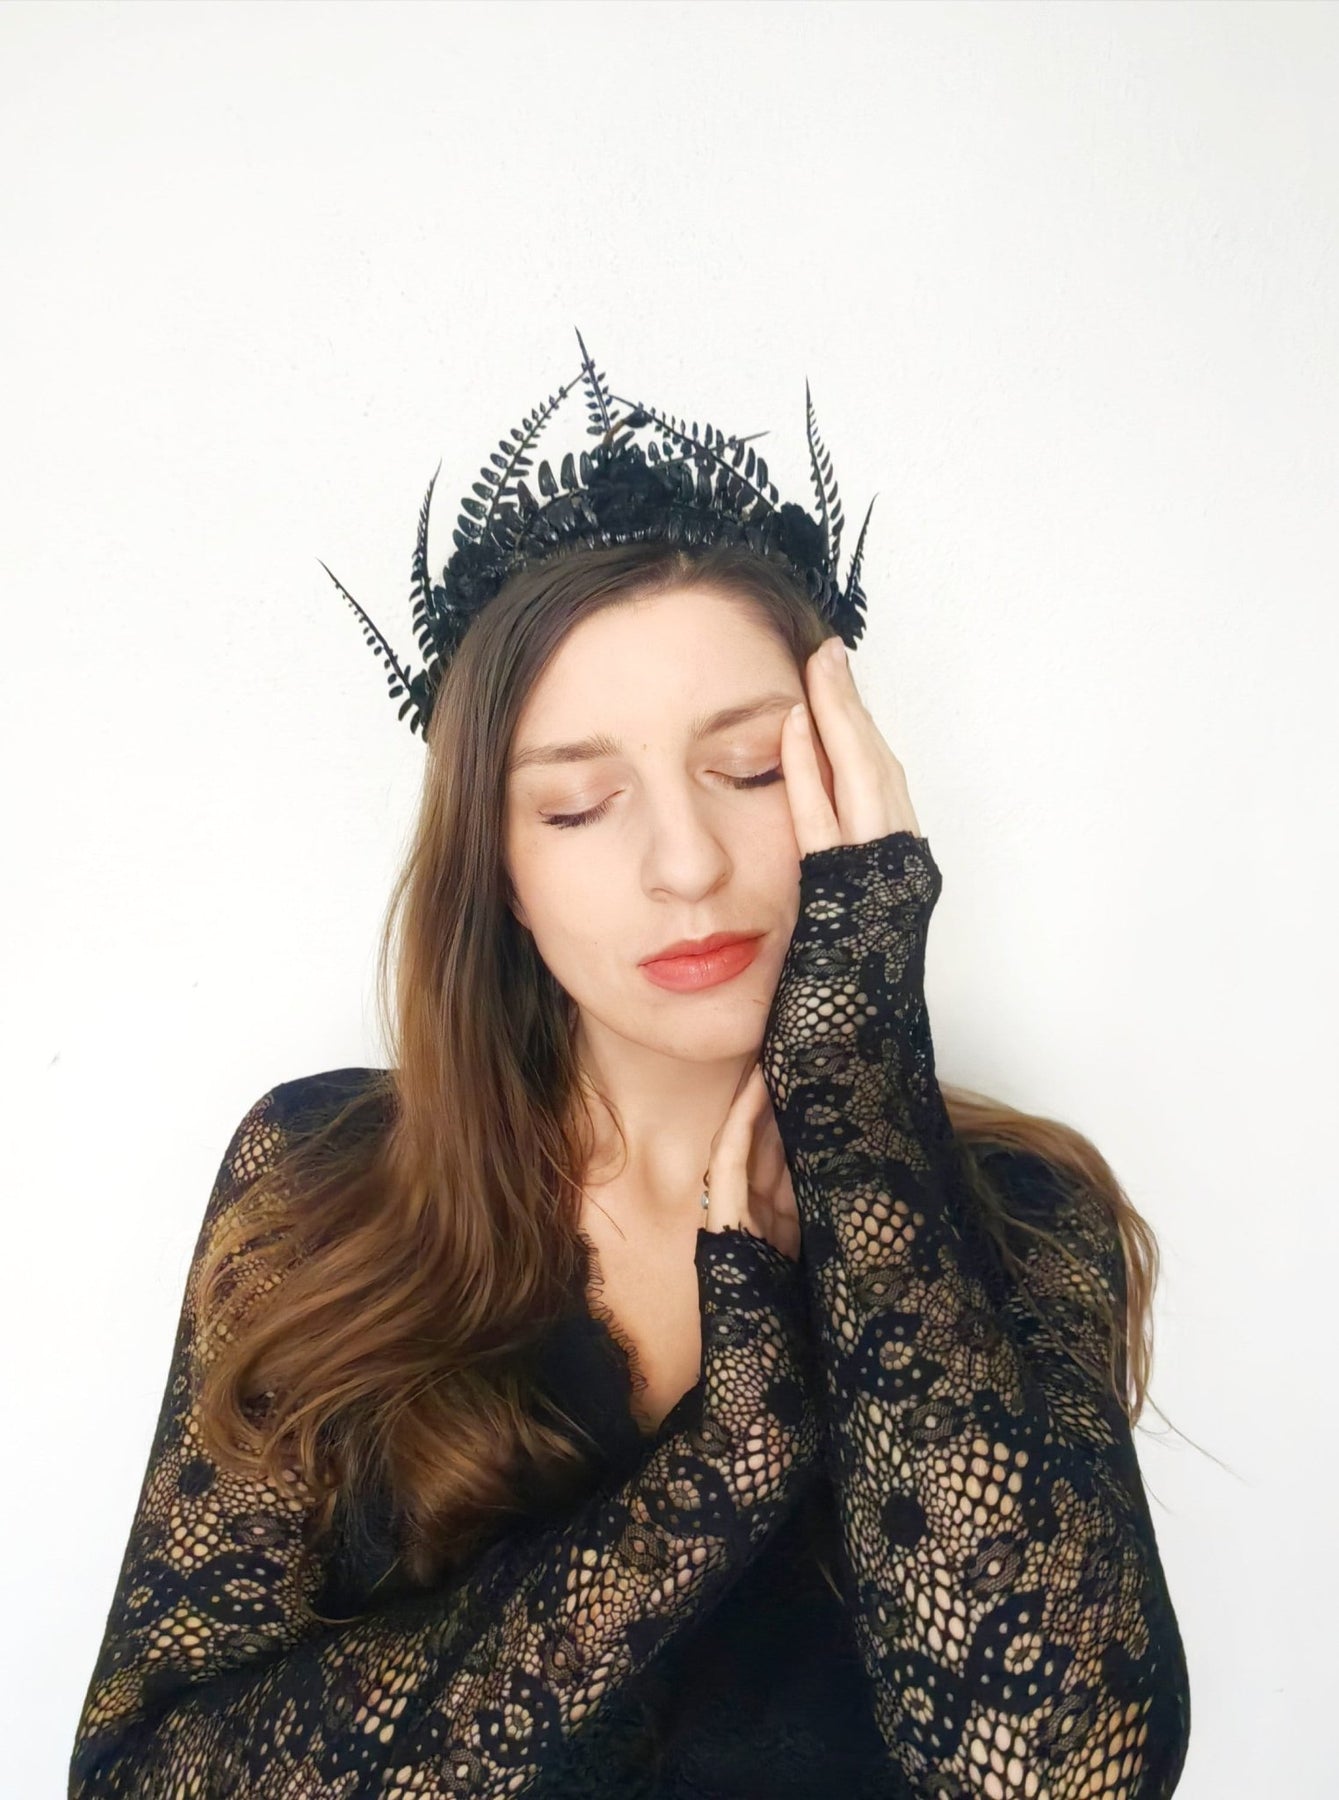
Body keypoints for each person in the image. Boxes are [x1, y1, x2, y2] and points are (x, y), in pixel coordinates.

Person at [68, 334, 1191, 1798]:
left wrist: (856, 1078)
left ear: (854, 786)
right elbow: (141, 1777)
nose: (686, 864)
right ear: (500, 870)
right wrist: (717, 1475)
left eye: (750, 771)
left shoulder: (1019, 1217)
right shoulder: (321, 1185)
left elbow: (1055, 1774)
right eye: (580, 806)